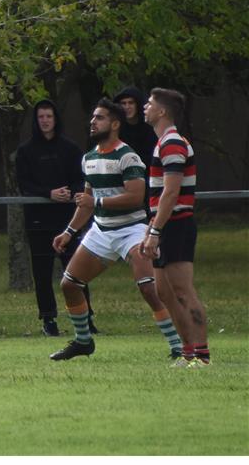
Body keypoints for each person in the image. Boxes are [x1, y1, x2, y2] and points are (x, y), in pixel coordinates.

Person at [49, 99, 182, 361]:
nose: (92, 122)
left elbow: (136, 197)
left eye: (99, 118)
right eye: (93, 117)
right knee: (69, 284)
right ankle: (83, 341)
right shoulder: (89, 158)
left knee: (148, 288)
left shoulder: (127, 156)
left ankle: (178, 345)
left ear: (115, 124)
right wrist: (69, 231)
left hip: (132, 230)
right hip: (102, 230)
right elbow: (86, 203)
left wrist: (95, 202)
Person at [140, 88, 209, 367]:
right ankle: (187, 351)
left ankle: (202, 356)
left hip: (176, 225)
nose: (145, 107)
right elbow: (160, 197)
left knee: (183, 291)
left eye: (149, 103)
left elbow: (171, 193)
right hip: (164, 224)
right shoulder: (162, 143)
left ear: (162, 111)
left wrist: (156, 231)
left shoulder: (173, 144)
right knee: (164, 292)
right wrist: (152, 227)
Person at [14, 100, 90, 337]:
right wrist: (48, 193)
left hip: (68, 220)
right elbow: (23, 183)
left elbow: (81, 178)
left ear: (55, 118)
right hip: (38, 220)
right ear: (36, 121)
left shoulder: (70, 148)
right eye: (41, 117)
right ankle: (48, 319)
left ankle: (86, 318)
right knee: (42, 273)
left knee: (76, 270)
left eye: (49, 116)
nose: (45, 120)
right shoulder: (26, 151)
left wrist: (72, 191)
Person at [113, 87, 159, 176]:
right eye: (123, 103)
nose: (127, 107)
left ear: (137, 104)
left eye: (131, 103)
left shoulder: (149, 127)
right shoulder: (115, 128)